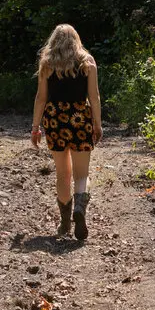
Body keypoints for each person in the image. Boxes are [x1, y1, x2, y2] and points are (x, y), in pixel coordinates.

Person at [30, 24, 101, 240]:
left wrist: (35, 128)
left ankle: (64, 224)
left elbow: (41, 98)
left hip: (54, 120)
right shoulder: (87, 62)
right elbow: (94, 96)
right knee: (82, 174)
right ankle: (80, 208)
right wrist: (97, 124)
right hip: (80, 119)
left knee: (63, 173)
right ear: (76, 40)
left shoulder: (47, 64)